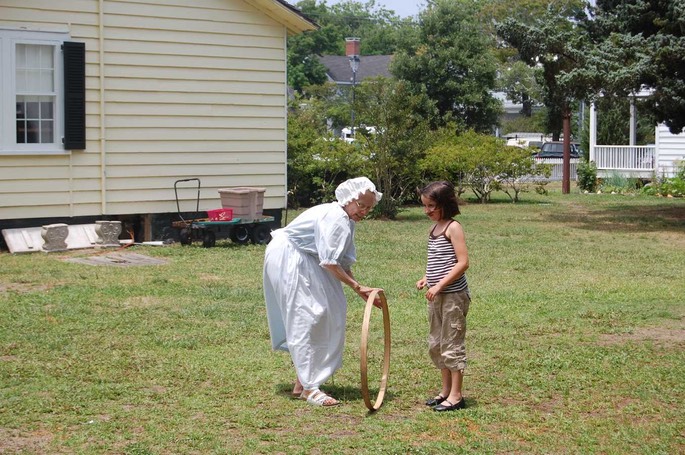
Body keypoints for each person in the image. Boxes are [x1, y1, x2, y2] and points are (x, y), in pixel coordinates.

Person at [263, 177, 383, 407]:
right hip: (291, 257)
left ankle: (302, 383)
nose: (365, 211)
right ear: (349, 199)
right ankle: (309, 387)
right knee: (308, 315)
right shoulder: (336, 217)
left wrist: (360, 291)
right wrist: (356, 286)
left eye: (369, 207)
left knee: (328, 310)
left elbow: (341, 261)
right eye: (361, 205)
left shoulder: (347, 220)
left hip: (306, 258)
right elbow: (329, 262)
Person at [415, 181, 470, 412]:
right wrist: (427, 278)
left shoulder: (453, 227)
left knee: (451, 343)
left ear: (445, 204)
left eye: (432, 206)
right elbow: (437, 261)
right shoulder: (434, 228)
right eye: (425, 206)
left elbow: (462, 263)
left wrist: (439, 286)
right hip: (436, 295)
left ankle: (456, 396)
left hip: (453, 295)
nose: (427, 211)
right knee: (436, 343)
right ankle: (445, 391)